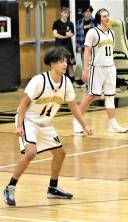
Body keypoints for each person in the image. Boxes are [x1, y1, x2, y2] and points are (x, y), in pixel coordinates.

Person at [3, 48, 93, 206]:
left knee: (60, 153)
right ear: (52, 64)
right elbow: (23, 103)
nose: (65, 64)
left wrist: (85, 125)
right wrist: (19, 126)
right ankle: (10, 186)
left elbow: (74, 107)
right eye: (61, 61)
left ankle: (53, 188)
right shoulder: (39, 80)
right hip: (28, 120)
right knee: (31, 152)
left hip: (45, 123)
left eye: (66, 60)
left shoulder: (66, 83)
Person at [73, 8, 128, 133]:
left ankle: (112, 124)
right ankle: (77, 120)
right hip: (96, 68)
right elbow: (87, 52)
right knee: (91, 96)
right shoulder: (92, 32)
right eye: (104, 16)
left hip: (110, 68)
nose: (107, 18)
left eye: (108, 15)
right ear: (99, 19)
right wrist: (85, 70)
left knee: (110, 96)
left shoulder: (112, 33)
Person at [52, 7, 75, 83]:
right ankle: (58, 80)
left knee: (70, 63)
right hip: (59, 46)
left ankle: (71, 81)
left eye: (67, 13)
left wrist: (61, 33)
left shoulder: (70, 23)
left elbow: (72, 33)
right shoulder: (56, 23)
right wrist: (65, 34)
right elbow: (55, 34)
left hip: (68, 46)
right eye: (65, 13)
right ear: (61, 13)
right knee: (59, 63)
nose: (66, 15)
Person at [74, 6, 95, 88]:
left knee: (93, 64)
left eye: (90, 11)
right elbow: (78, 36)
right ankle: (87, 82)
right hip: (83, 46)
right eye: (86, 11)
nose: (88, 13)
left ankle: (93, 81)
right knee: (85, 65)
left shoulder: (95, 21)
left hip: (93, 47)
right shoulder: (79, 22)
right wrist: (78, 46)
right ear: (83, 13)